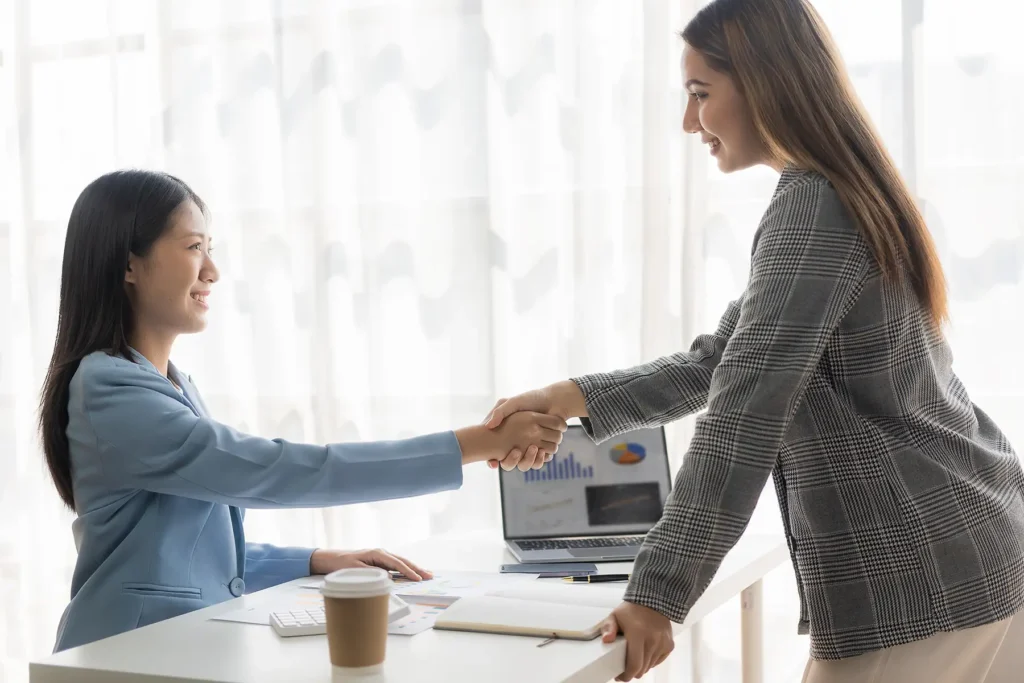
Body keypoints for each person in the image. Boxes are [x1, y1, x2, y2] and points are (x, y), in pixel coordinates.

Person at [482, 0, 1024, 681]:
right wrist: (567, 399)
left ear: (766, 81)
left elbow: (747, 407)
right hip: (974, 547)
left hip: (921, 577)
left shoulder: (813, 205)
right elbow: (722, 360)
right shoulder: (841, 191)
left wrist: (658, 591)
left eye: (701, 94)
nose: (690, 122)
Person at [39, 170, 566, 652]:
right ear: (130, 263)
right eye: (195, 247)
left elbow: (183, 551)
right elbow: (275, 470)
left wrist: (314, 561)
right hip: (123, 654)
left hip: (177, 645)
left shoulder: (171, 385)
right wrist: (475, 443)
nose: (213, 271)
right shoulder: (110, 388)